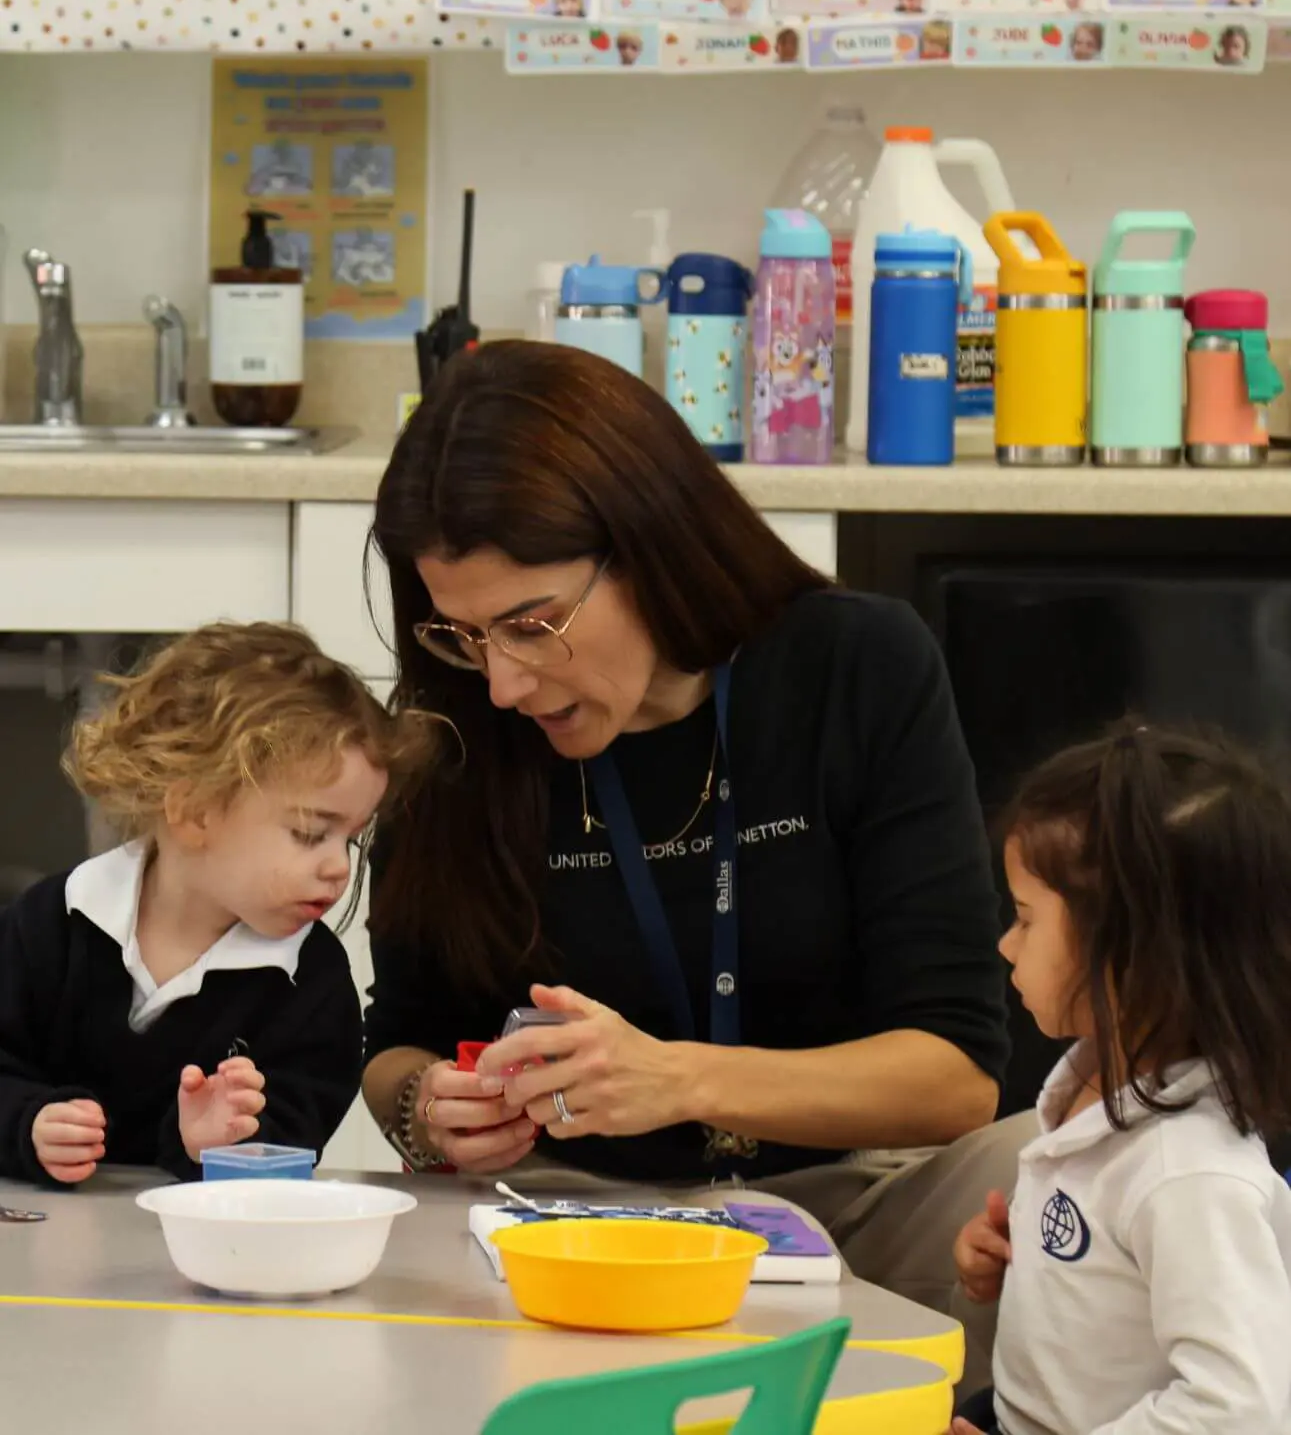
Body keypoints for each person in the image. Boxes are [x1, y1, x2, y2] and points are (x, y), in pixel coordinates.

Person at [362, 340, 1031, 1385]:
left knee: (1050, 1174)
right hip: (563, 1220)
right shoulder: (452, 733)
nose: (500, 682)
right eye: (463, 635)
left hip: (853, 1205)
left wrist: (677, 1080)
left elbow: (953, 1080)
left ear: (649, 548)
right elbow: (395, 1039)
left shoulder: (855, 664)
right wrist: (425, 1108)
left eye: (531, 625)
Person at [0, 623, 433, 1187]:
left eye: (349, 839)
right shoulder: (49, 924)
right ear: (195, 812)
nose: (339, 868)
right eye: (309, 833)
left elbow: (293, 1137)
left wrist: (220, 1145)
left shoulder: (315, 984)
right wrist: (27, 1125)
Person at [952, 724, 1291, 1435]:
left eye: (1024, 919)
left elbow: (1238, 1410)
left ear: (1134, 955)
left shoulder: (1187, 1176)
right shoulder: (1087, 1094)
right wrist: (1004, 1276)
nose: (1003, 943)